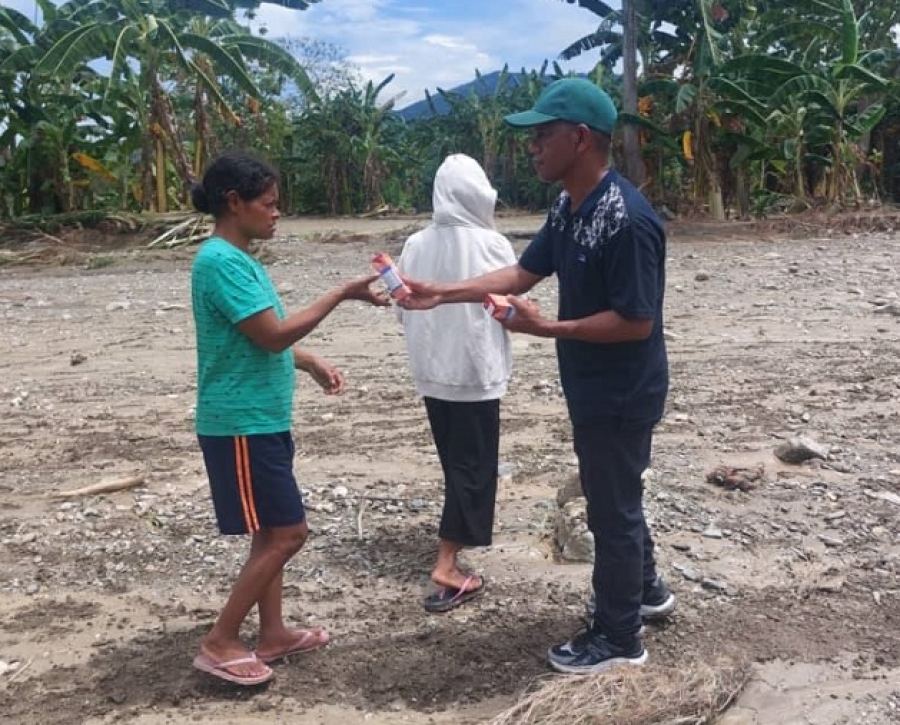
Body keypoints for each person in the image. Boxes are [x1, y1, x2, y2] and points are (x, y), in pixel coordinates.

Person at [399, 78, 675, 673]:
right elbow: (522, 274)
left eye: (543, 135)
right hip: (590, 384)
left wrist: (546, 327)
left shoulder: (626, 219)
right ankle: (644, 590)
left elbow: (635, 322)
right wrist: (441, 291)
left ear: (581, 139)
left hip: (622, 390)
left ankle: (618, 637)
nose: (532, 147)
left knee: (612, 509)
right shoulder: (569, 206)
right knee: (613, 494)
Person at [189, 151, 387, 686]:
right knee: (289, 533)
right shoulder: (221, 262)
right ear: (235, 203)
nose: (278, 213)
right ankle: (220, 640)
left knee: (271, 531)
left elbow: (256, 339)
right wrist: (340, 293)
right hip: (240, 424)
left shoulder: (239, 259)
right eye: (269, 203)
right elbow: (273, 334)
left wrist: (309, 361)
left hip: (261, 419)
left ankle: (272, 633)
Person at [396, 154, 517, 613]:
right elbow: (509, 306)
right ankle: (447, 563)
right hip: (475, 372)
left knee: (456, 462)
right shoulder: (493, 244)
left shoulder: (415, 244)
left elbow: (402, 307)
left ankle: (453, 545)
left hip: (431, 371)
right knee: (474, 468)